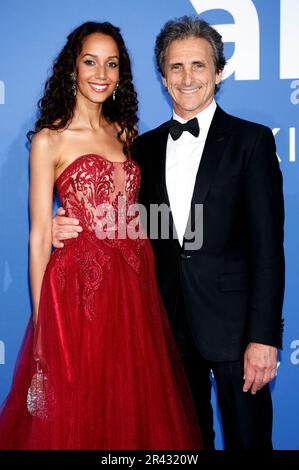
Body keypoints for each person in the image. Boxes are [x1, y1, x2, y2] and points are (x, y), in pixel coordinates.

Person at [53, 16, 285, 450]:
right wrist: (63, 223)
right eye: (176, 67)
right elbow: (116, 220)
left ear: (218, 73)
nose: (187, 78)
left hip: (237, 333)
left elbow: (268, 249)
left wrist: (264, 337)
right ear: (163, 77)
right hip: (164, 332)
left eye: (199, 66)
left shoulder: (251, 142)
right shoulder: (141, 148)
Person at [0, 21, 203, 450]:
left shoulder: (125, 134)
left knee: (131, 407)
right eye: (91, 61)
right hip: (78, 292)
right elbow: (39, 237)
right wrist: (41, 326)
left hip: (134, 289)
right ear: (72, 67)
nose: (101, 73)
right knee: (79, 409)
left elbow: (143, 211)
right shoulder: (49, 140)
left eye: (111, 64)